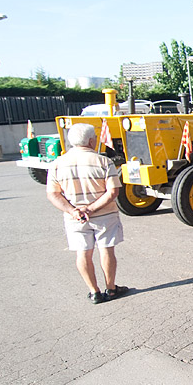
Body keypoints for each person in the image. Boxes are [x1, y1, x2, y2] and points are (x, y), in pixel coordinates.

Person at [46, 123, 128, 304]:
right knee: (106, 250)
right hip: (105, 215)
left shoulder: (57, 164)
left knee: (83, 253)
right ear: (91, 141)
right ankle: (111, 288)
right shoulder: (104, 162)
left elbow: (53, 193)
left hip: (75, 218)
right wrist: (91, 208)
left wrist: (73, 210)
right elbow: (113, 192)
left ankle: (94, 292)